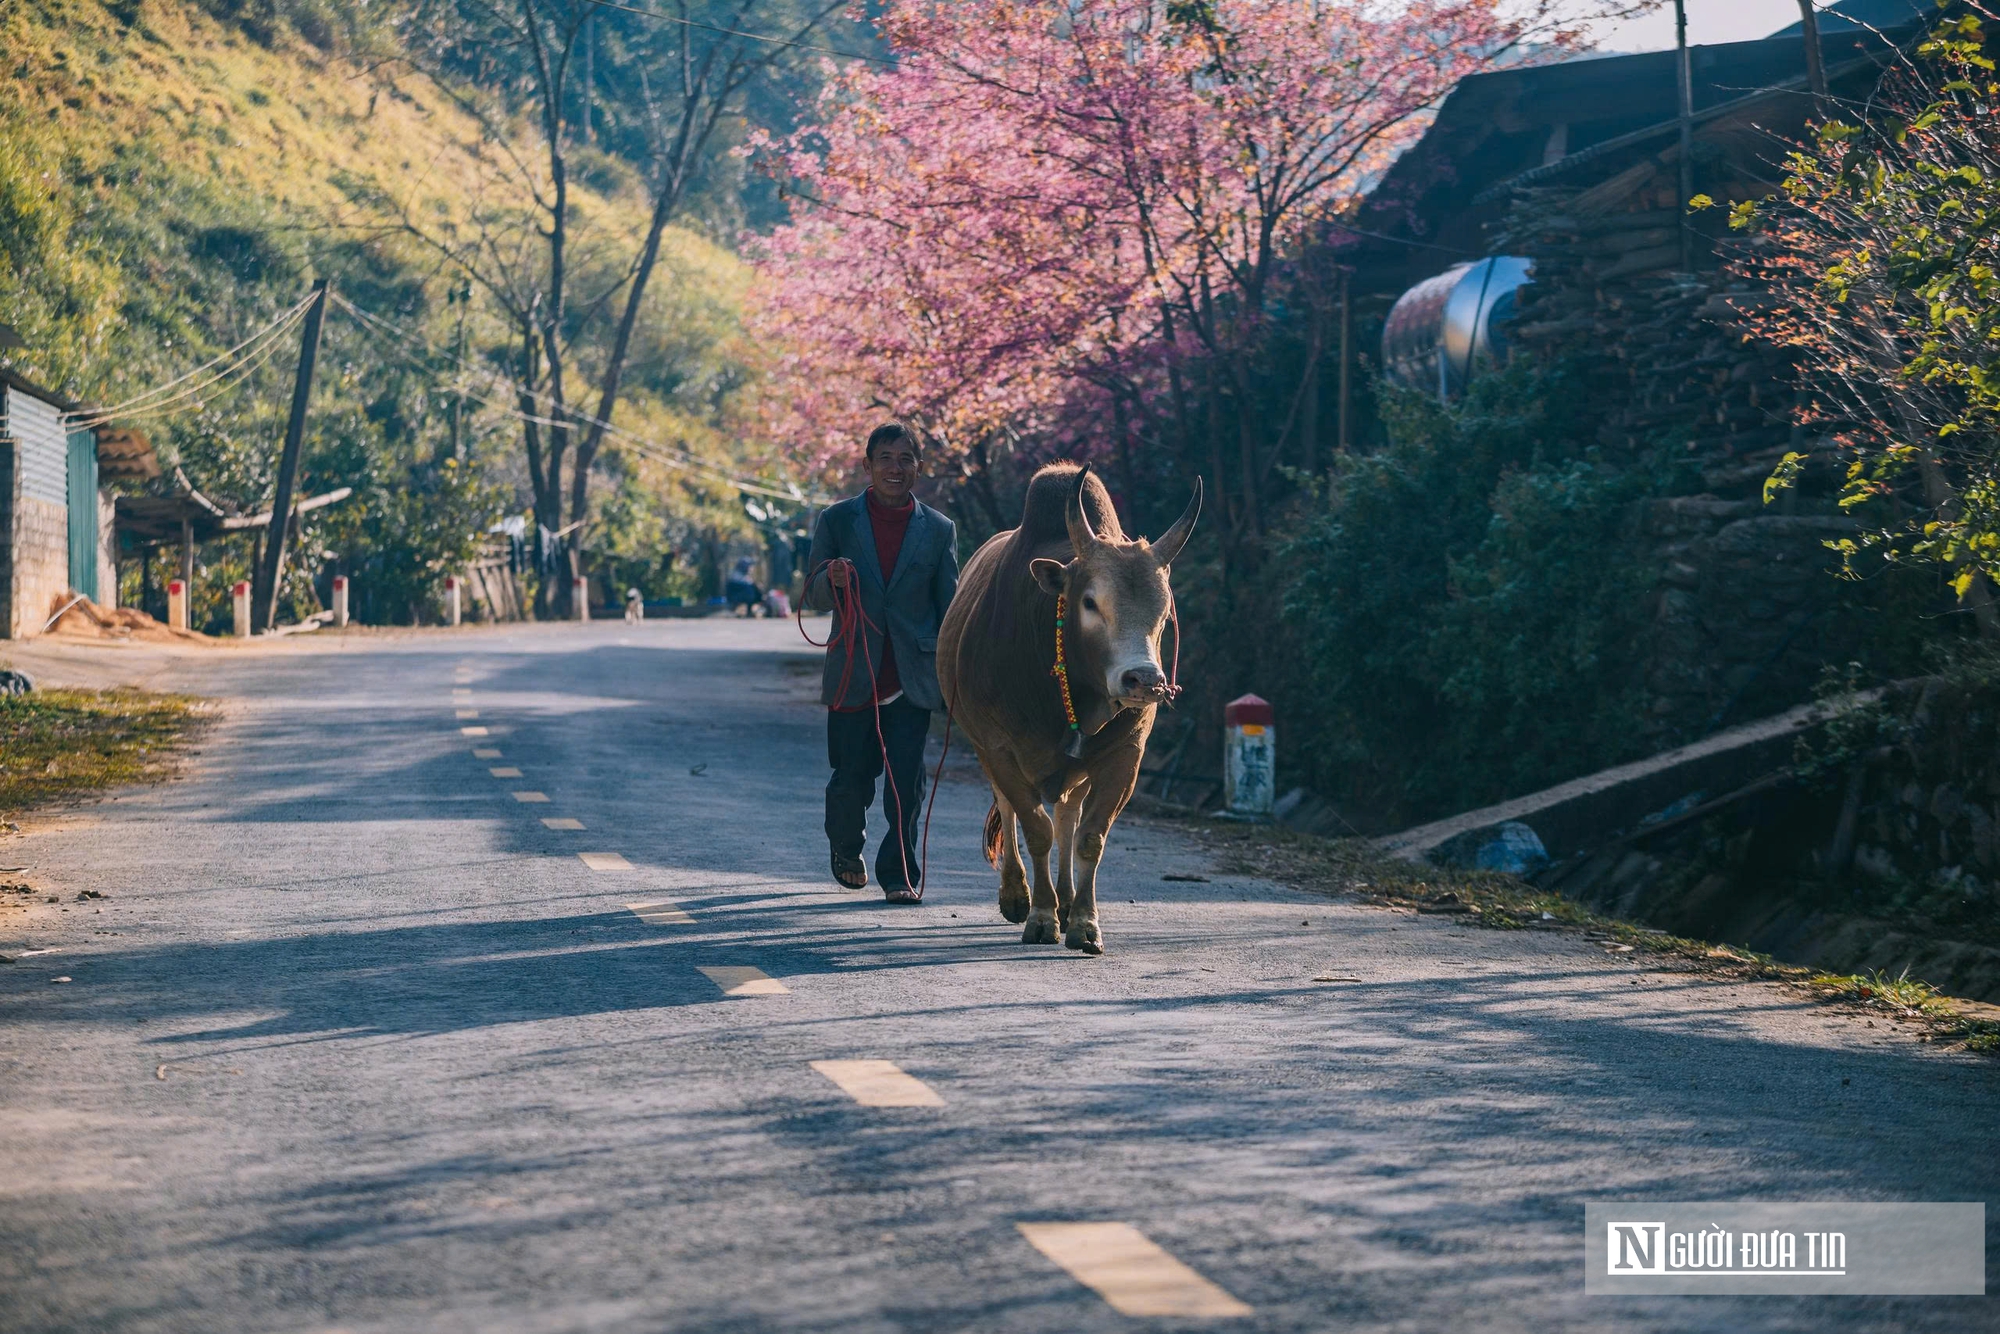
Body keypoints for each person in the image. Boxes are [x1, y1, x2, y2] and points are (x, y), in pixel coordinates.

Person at [802, 421, 959, 903]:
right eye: (886, 458)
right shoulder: (837, 520)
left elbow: (949, 607)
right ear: (867, 465)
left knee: (906, 786)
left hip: (911, 679)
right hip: (853, 672)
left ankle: (900, 874)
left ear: (918, 468)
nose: (896, 468)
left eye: (906, 458)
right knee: (852, 778)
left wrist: (955, 678)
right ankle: (847, 851)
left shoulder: (938, 530)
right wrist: (832, 577)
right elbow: (810, 595)